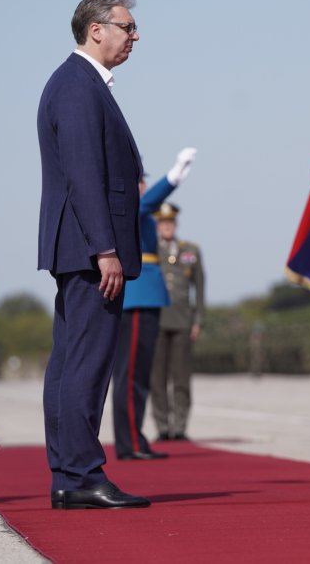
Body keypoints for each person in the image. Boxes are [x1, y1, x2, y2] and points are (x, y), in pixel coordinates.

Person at [36, 0, 149, 510]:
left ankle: (69, 474)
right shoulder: (78, 86)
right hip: (90, 250)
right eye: (127, 26)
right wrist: (105, 248)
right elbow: (84, 175)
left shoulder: (80, 83)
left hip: (80, 247)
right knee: (86, 363)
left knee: (72, 362)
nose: (135, 36)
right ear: (96, 29)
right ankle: (81, 473)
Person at [113, 151, 196, 460]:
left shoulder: (140, 211)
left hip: (147, 295)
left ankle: (135, 437)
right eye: (139, 181)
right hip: (137, 296)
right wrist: (174, 176)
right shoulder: (129, 207)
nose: (144, 186)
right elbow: (147, 202)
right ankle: (130, 442)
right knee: (131, 374)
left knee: (139, 374)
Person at [151, 202, 206, 442]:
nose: (167, 226)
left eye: (170, 222)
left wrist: (198, 319)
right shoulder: (150, 250)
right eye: (163, 223)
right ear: (157, 225)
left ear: (176, 224)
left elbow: (200, 287)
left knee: (181, 377)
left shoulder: (190, 250)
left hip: (183, 321)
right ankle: (163, 426)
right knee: (157, 378)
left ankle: (180, 426)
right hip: (156, 321)